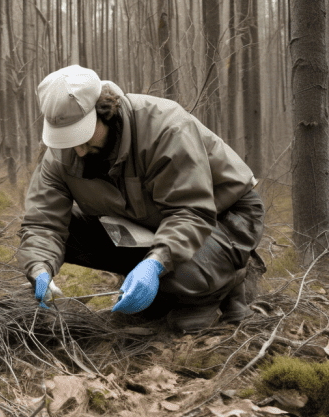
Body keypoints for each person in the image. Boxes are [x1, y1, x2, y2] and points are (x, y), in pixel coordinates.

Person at [17, 65, 264, 332]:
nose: (79, 150)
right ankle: (169, 287)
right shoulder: (61, 155)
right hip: (146, 221)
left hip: (224, 215)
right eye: (68, 139)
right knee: (69, 232)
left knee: (179, 275)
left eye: (84, 135)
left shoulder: (165, 127)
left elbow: (190, 212)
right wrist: (39, 268)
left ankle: (227, 281)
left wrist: (154, 264)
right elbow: (43, 223)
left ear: (105, 112)